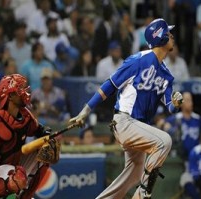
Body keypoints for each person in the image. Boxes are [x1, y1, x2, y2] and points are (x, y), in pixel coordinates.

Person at [69, 18, 183, 199]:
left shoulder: (166, 74)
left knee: (135, 173)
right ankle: (144, 194)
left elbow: (170, 107)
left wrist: (176, 104)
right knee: (164, 142)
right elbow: (110, 85)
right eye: (168, 33)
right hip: (125, 121)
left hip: (140, 127)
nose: (172, 36)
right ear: (159, 37)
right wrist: (86, 110)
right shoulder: (138, 60)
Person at [0, 74, 59, 199]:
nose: (24, 92)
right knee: (16, 176)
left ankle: (26, 196)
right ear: (10, 96)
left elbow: (40, 130)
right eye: (19, 89)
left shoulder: (25, 115)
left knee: (47, 149)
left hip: (15, 166)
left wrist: (48, 134)